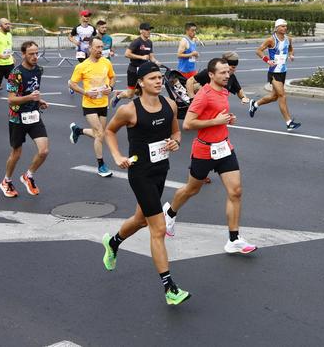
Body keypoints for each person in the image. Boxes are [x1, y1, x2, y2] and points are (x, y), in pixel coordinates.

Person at [101, 61, 190, 306]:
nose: (159, 81)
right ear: (140, 82)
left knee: (141, 219)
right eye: (152, 78)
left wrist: (176, 141)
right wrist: (118, 156)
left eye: (160, 77)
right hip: (140, 173)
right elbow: (109, 131)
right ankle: (169, 287)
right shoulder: (129, 110)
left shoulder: (169, 105)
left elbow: (176, 132)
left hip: (161, 169)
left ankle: (113, 242)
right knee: (158, 229)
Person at [163, 58, 257, 255]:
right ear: (211, 75)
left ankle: (234, 239)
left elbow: (218, 117)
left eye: (228, 72)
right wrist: (216, 121)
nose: (227, 75)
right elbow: (188, 124)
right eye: (222, 73)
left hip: (224, 147)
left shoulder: (224, 91)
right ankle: (170, 213)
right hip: (204, 150)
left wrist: (227, 119)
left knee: (236, 191)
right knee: (191, 189)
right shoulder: (203, 95)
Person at [0, 41, 49, 198]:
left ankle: (28, 175)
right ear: (23, 54)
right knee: (16, 153)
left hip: (33, 115)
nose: (35, 57)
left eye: (37, 53)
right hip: (17, 118)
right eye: (31, 54)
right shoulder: (16, 73)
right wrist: (29, 97)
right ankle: (6, 181)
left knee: (44, 151)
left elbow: (33, 90)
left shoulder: (39, 70)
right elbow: (11, 100)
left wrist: (38, 101)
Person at [68, 38, 116, 177]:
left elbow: (113, 77)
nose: (100, 50)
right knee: (100, 133)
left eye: (102, 47)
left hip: (103, 103)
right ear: (90, 48)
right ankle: (101, 166)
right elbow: (72, 84)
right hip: (89, 104)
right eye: (97, 47)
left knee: (98, 134)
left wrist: (111, 88)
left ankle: (78, 130)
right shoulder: (82, 66)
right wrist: (85, 92)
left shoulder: (106, 62)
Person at [248, 19, 301, 131]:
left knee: (274, 96)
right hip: (274, 71)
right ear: (276, 28)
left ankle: (255, 104)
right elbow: (258, 51)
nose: (285, 28)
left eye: (286, 26)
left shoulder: (288, 39)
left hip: (283, 71)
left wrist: (291, 55)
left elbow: (290, 48)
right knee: (282, 95)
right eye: (282, 26)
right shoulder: (271, 40)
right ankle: (289, 122)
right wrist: (267, 60)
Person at [111, 22, 160, 107]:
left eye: (150, 30)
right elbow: (126, 54)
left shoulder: (149, 42)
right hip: (133, 70)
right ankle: (118, 96)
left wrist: (156, 62)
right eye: (147, 30)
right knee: (130, 95)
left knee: (143, 90)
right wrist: (141, 57)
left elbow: (151, 57)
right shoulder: (136, 42)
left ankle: (144, 109)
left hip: (143, 71)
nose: (149, 31)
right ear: (141, 31)